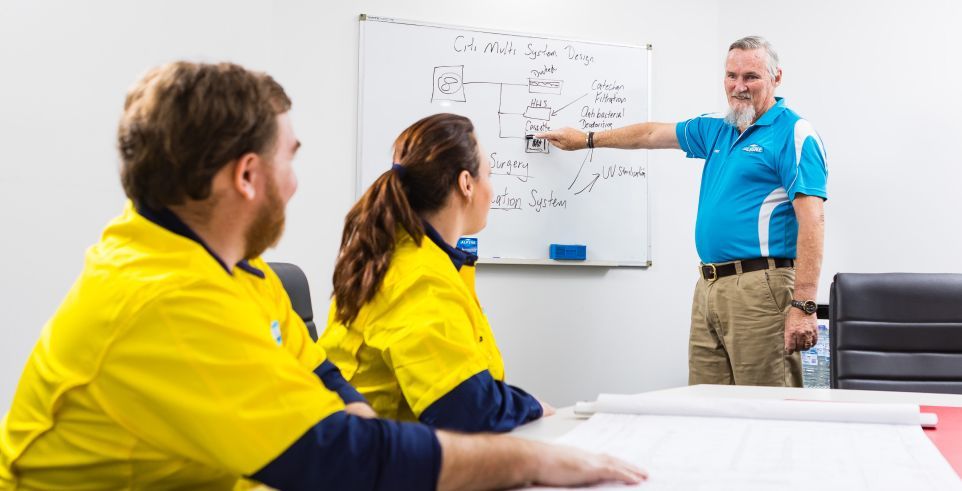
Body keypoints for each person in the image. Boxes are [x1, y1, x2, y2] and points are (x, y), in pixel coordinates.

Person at [0, 61, 646, 490]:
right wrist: (531, 457)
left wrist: (360, 419)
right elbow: (337, 456)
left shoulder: (231, 270)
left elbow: (317, 370)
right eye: (291, 157)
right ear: (248, 176)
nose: (297, 182)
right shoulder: (165, 297)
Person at [538, 36, 827, 388]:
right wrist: (587, 139)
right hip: (709, 285)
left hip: (761, 287)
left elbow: (812, 220)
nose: (738, 87)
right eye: (731, 76)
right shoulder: (717, 128)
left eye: (751, 76)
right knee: (706, 406)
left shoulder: (793, 133)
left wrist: (804, 305)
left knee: (765, 406)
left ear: (775, 78)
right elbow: (650, 133)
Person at [319, 113, 553, 433]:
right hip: (374, 465)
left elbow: (466, 383)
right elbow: (465, 409)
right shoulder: (418, 278)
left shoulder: (414, 257)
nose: (493, 191)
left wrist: (517, 402)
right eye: (489, 174)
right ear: (466, 184)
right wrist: (532, 406)